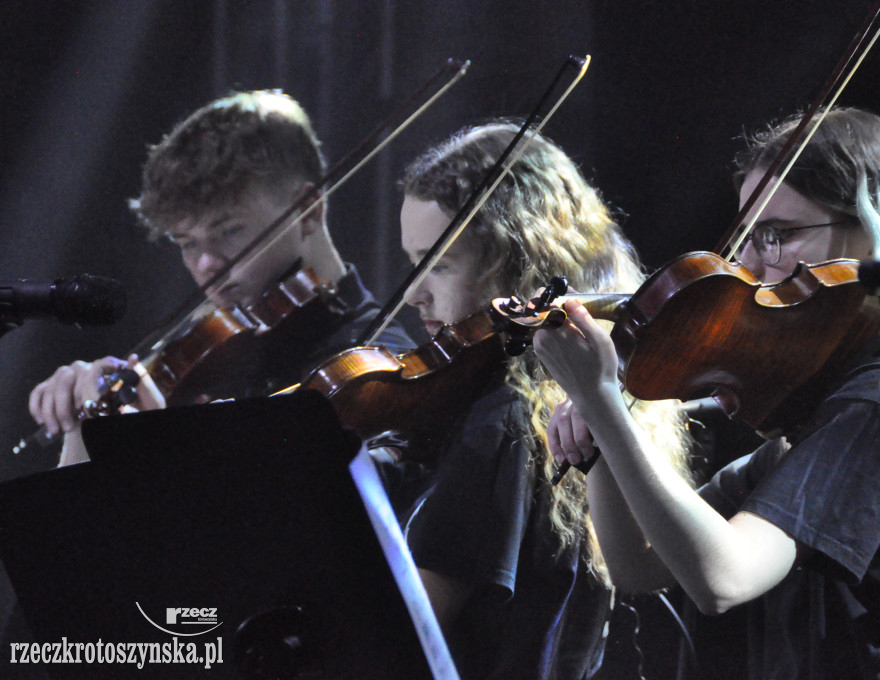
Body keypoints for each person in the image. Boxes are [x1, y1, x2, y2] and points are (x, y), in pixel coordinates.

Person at [533, 107, 880, 679]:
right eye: (749, 237)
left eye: (777, 236)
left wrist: (602, 403)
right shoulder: (820, 409)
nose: (747, 266)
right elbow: (639, 568)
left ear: (873, 231)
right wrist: (601, 437)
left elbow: (724, 578)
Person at [389, 121, 690, 679]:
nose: (413, 292)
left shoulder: (502, 421)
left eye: (440, 264)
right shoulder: (565, 402)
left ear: (517, 264)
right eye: (413, 261)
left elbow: (400, 640)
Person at [27, 89, 411, 466]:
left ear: (308, 211)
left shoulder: (378, 364)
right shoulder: (206, 354)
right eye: (187, 242)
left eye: (229, 231)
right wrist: (86, 427)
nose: (207, 263)